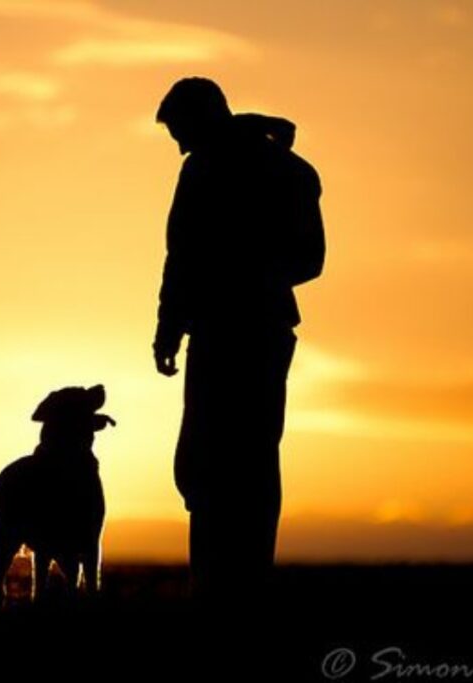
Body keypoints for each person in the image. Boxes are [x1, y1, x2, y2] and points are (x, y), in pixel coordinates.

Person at [152, 77, 325, 606]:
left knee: (228, 459)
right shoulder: (289, 170)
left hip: (242, 332)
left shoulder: (216, 169)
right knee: (235, 458)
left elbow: (184, 257)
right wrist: (172, 326)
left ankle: (227, 585)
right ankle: (228, 582)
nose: (179, 145)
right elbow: (183, 257)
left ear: (204, 118)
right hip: (243, 330)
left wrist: (176, 321)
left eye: (181, 131)